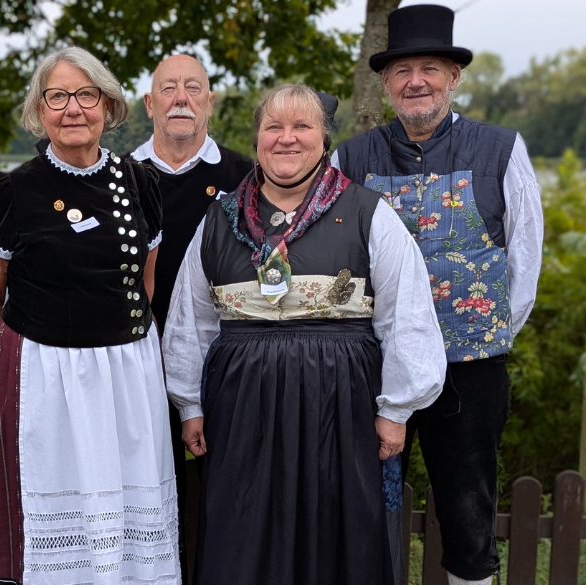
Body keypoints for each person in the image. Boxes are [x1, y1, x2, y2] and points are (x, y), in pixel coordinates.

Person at [163, 84, 445, 585]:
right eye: (273, 126)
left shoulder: (367, 212)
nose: (286, 139)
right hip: (242, 406)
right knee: (244, 533)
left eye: (301, 127)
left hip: (339, 403)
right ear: (257, 138)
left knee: (336, 534)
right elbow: (191, 319)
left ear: (324, 138)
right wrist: (190, 405)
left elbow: (407, 314)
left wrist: (396, 410)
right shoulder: (219, 219)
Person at [334, 5, 544, 585]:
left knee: (468, 513)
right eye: (403, 71)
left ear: (454, 76)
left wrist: (488, 333)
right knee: (366, 505)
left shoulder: (502, 150)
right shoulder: (350, 159)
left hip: (470, 367)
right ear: (385, 82)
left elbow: (524, 262)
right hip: (374, 367)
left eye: (430, 67)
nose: (416, 81)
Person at [0, 46, 180, 585]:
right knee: (56, 511)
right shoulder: (11, 191)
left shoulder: (142, 183)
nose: (72, 109)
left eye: (86, 95)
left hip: (129, 375)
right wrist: (18, 370)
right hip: (46, 378)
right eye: (56, 97)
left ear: (108, 106)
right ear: (39, 111)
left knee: (128, 507)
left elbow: (144, 283)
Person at [131, 54, 252, 330]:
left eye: (193, 88)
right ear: (150, 104)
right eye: (169, 88)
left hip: (219, 346)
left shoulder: (247, 178)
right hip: (133, 345)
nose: (181, 98)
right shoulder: (118, 177)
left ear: (209, 104)